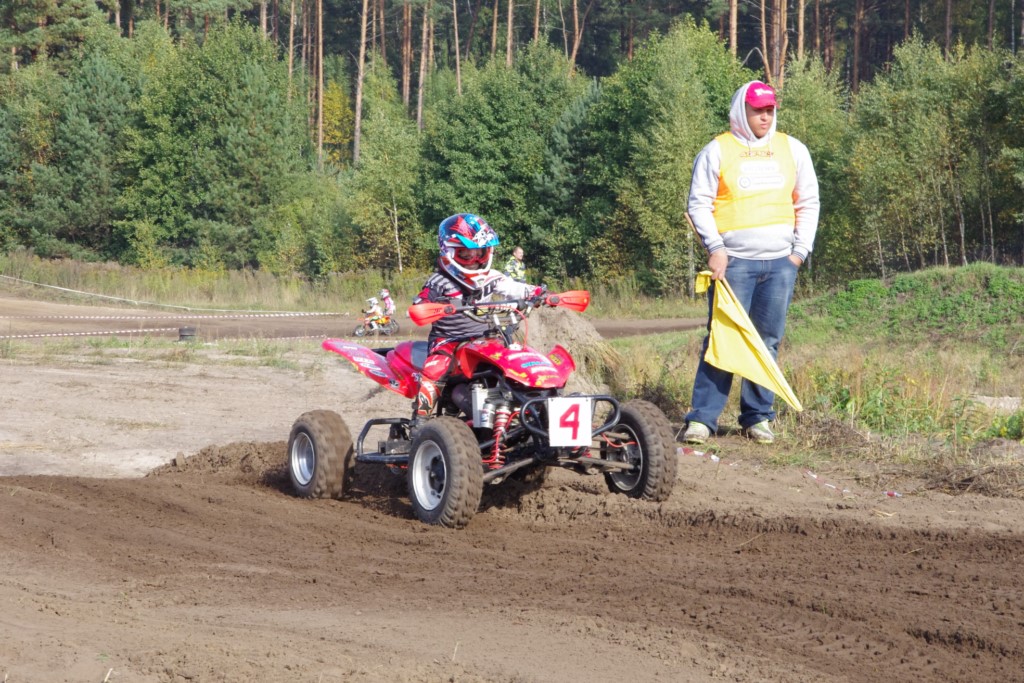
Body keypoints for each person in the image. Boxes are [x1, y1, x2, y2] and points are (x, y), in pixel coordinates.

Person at [682, 80, 820, 445]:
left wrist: (799, 253)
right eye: (758, 110)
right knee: (722, 338)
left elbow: (808, 201)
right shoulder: (717, 150)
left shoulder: (792, 149)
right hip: (734, 265)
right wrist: (716, 248)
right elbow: (698, 203)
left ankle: (758, 418)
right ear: (741, 111)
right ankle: (702, 420)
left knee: (767, 341)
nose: (765, 116)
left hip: (780, 265)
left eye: (770, 110)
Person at [411, 214, 541, 426]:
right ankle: (419, 422)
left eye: (479, 252)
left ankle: (523, 410)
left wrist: (539, 293)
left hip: (484, 338)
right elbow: (420, 303)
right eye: (466, 253)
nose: (474, 259)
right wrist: (431, 307)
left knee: (515, 357)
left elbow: (515, 288)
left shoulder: (492, 277)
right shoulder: (439, 281)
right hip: (448, 340)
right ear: (449, 251)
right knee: (437, 367)